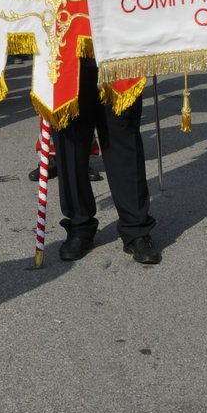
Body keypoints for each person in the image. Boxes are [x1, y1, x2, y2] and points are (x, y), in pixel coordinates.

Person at [54, 59, 156, 265]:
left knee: (124, 137)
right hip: (69, 45)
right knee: (71, 141)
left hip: (116, 46)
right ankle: (79, 227)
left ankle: (136, 229)